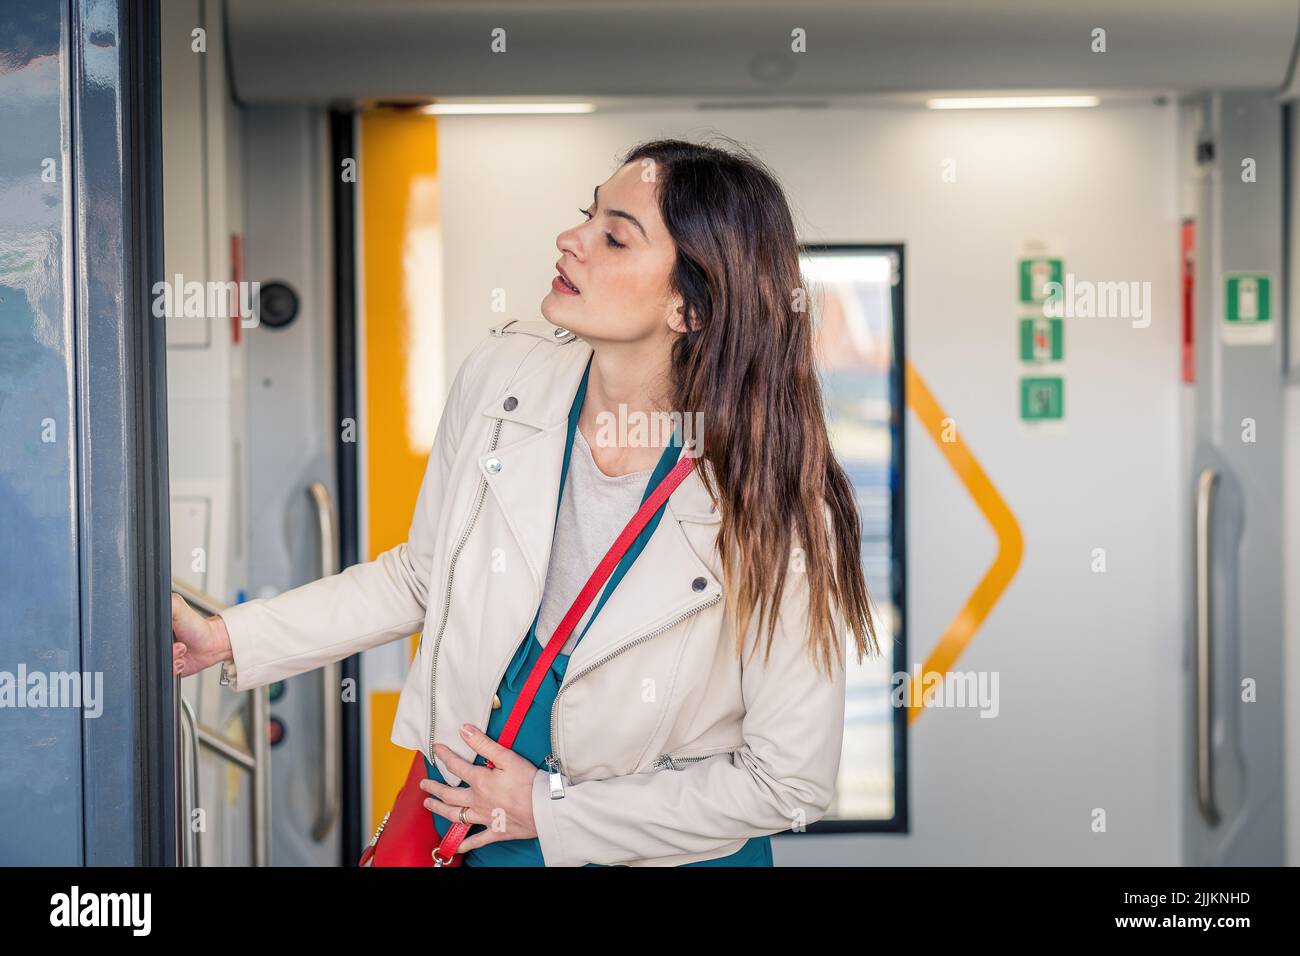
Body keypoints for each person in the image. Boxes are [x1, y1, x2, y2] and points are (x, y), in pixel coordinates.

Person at [170, 136, 881, 867]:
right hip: (480, 833)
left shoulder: (777, 508)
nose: (570, 241)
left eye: (614, 236)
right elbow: (421, 576)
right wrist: (227, 638)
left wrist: (549, 807)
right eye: (587, 215)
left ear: (690, 308)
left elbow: (787, 782)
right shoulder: (503, 381)